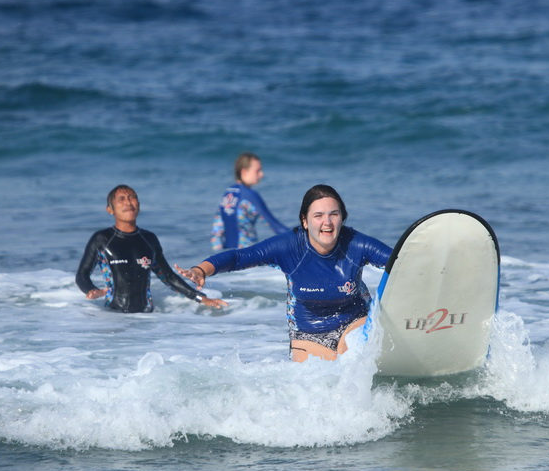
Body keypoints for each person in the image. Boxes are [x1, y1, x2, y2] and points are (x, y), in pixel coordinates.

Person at [178, 184, 391, 362]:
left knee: (352, 356)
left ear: (342, 219)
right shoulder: (289, 247)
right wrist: (201, 269)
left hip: (355, 323)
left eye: (333, 215)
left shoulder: (356, 243)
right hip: (308, 334)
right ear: (305, 222)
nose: (327, 222)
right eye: (318, 216)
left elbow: (398, 263)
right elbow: (239, 257)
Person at [76, 184, 227, 313]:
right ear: (110, 209)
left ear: (139, 204)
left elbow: (168, 277)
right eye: (121, 199)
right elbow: (82, 275)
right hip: (114, 317)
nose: (128, 202)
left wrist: (201, 298)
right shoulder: (102, 239)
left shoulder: (148, 239)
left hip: (147, 320)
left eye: (132, 197)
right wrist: (91, 290)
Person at [210, 152, 289, 251]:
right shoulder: (249, 195)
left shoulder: (227, 194)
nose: (261, 174)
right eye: (258, 171)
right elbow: (275, 226)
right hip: (246, 256)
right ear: (244, 172)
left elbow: (216, 232)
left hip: (227, 256)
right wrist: (301, 236)